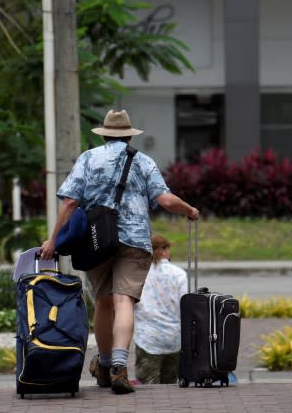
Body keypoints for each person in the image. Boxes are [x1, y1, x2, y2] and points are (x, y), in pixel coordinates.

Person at [39, 109, 199, 395]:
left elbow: (70, 203)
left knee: (103, 302)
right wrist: (189, 210)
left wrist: (52, 241)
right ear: (128, 134)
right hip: (135, 241)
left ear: (104, 135)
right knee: (124, 301)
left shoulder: (88, 158)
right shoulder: (143, 161)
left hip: (96, 240)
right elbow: (164, 199)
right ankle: (119, 367)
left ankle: (102, 364)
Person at [133, 233, 187, 384]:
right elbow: (185, 305)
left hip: (148, 338)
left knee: (148, 387)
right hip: (174, 339)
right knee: (170, 386)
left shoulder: (138, 273)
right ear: (164, 251)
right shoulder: (179, 274)